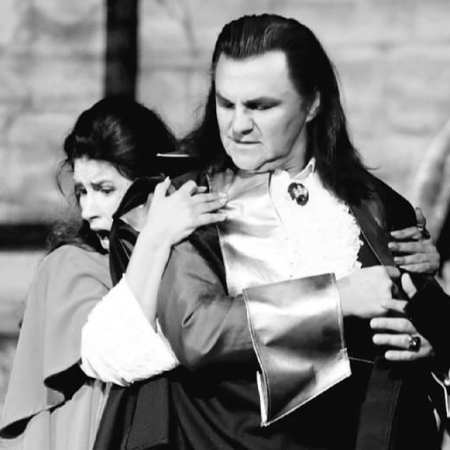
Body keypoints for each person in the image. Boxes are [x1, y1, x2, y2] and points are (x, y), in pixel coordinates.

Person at [93, 14, 449, 450]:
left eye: (260, 106)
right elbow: (198, 332)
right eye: (226, 104)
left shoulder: (376, 205)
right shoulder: (182, 199)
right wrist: (337, 298)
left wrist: (428, 346)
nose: (237, 125)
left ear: (312, 104)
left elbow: (430, 321)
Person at [0, 96, 227, 449]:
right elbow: (123, 349)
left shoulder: (183, 261)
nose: (88, 209)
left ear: (153, 186)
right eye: (82, 191)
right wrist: (156, 235)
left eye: (104, 190)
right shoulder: (68, 266)